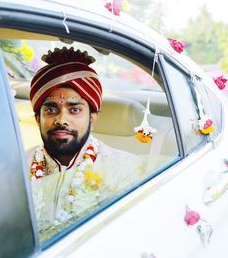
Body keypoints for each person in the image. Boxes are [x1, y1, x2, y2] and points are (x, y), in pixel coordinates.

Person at [28, 47, 142, 240]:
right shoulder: (16, 168)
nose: (61, 120)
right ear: (38, 118)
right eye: (50, 109)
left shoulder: (124, 169)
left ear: (93, 118)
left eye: (74, 110)